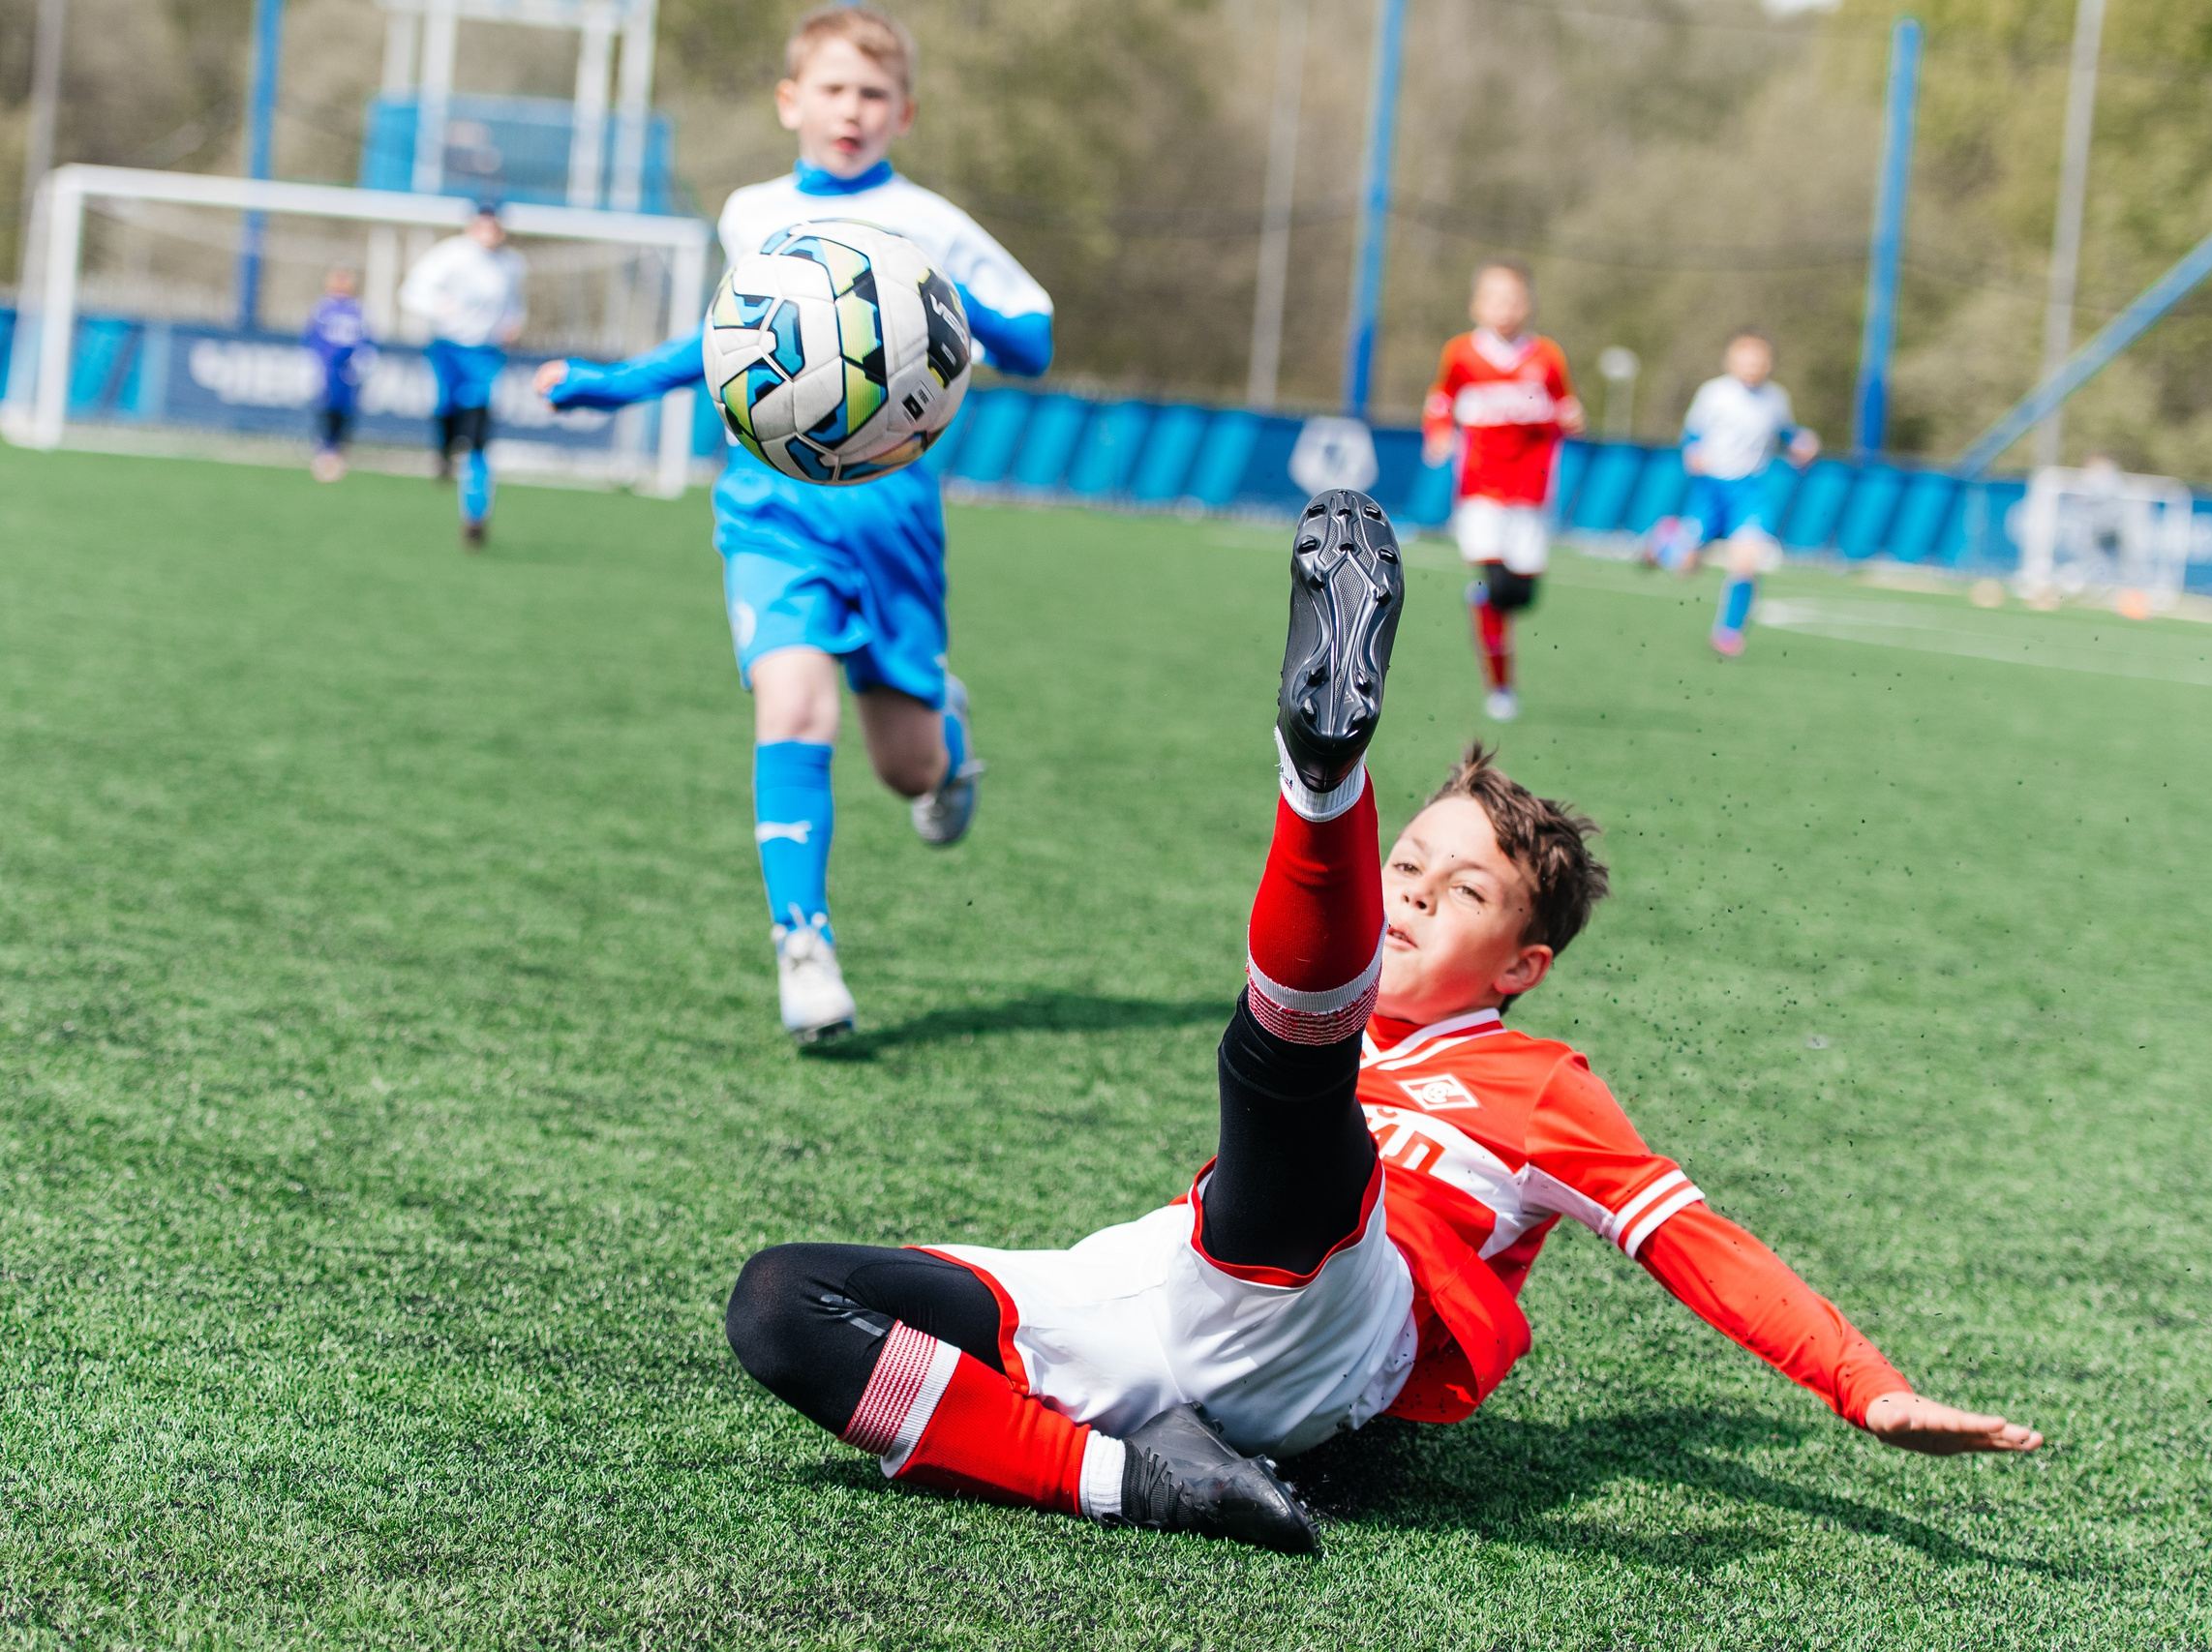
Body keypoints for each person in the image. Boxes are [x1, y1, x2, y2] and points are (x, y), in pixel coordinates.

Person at [722, 489, 2044, 1553]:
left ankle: (1320, 776)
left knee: (1294, 1079)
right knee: (783, 1301)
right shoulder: (1365, 1010)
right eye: (1405, 863)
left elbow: (1697, 1242)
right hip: (1181, 1273)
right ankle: (1145, 1480)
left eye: (1458, 888)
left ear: (1521, 963)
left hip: (1347, 1320)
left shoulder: (1537, 1083)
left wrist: (1862, 1381)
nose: (1415, 892)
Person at [533, 5, 1053, 1045]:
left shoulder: (932, 223)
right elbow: (724, 341)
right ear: (790, 101)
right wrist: (612, 386)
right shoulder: (751, 212)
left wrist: (944, 299)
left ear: (902, 111)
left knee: (904, 767)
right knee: (793, 706)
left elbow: (1033, 341)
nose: (850, 110)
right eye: (831, 89)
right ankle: (803, 942)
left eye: (871, 94)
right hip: (774, 511)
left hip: (893, 520)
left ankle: (944, 736)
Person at [1421, 261, 1584, 724]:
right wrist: (1437, 432)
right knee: (1495, 582)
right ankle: (1501, 688)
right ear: (1477, 305)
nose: (1505, 308)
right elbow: (1440, 401)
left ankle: (1485, 599)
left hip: (1530, 490)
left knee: (1519, 594)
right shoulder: (1462, 354)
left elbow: (1566, 408)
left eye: (1514, 299)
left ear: (1528, 305)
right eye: (1495, 298)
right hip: (1481, 487)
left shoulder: (1546, 357)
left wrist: (1569, 419)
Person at [1657, 331, 1818, 657]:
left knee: (1746, 562)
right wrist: (1693, 452)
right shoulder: (1714, 394)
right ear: (1731, 360)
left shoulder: (1776, 398)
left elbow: (1787, 433)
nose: (1753, 366)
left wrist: (1802, 444)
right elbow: (1691, 435)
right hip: (1711, 488)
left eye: (1759, 360)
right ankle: (1663, 541)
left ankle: (1729, 633)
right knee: (1686, 567)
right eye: (1746, 358)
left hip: (1749, 491)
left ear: (1769, 363)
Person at [400, 202, 527, 549]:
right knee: (445, 411)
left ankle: (475, 516)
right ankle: (442, 454)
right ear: (472, 226)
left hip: (485, 357)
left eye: (494, 226)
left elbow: (514, 304)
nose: (489, 232)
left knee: (479, 436)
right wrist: (439, 307)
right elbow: (410, 292)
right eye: (482, 225)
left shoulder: (511, 265)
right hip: (448, 351)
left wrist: (514, 324)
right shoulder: (450, 256)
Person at [301, 266, 372, 484]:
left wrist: (364, 362)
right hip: (327, 370)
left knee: (345, 412)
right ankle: (324, 452)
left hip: (349, 372)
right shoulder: (322, 308)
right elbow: (310, 338)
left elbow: (367, 340)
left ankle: (338, 453)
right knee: (325, 410)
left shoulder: (359, 310)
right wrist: (310, 365)